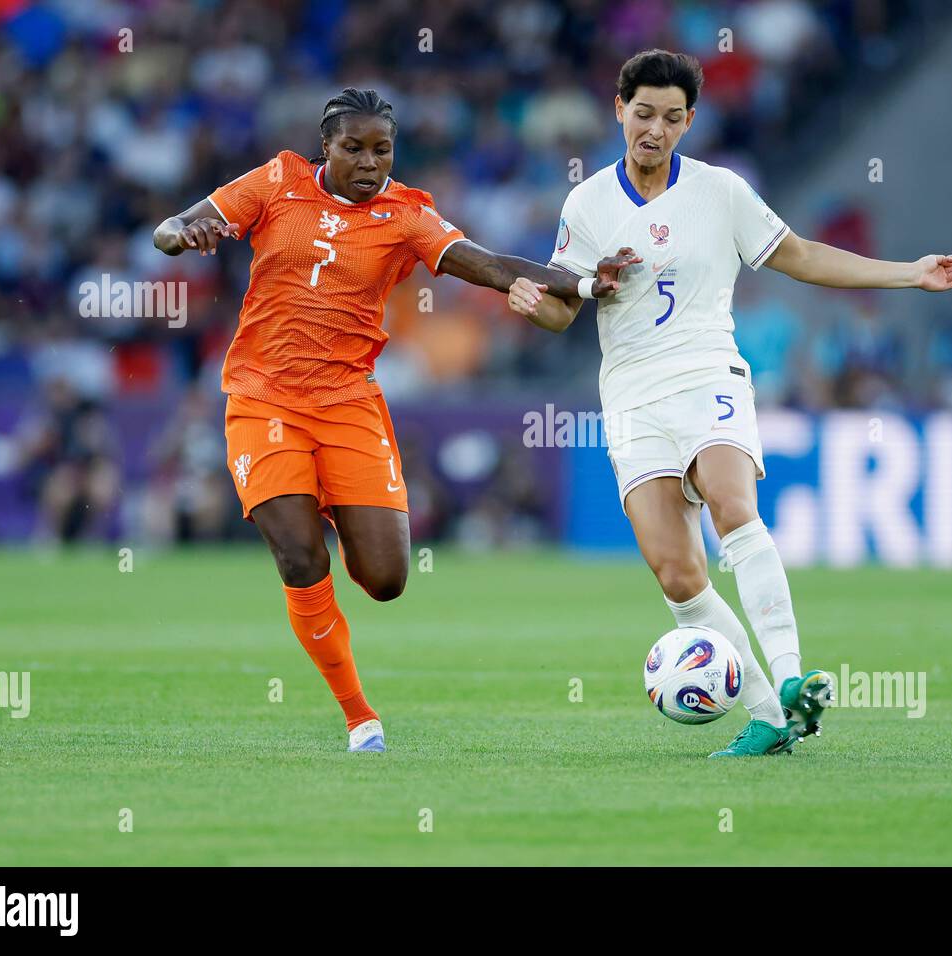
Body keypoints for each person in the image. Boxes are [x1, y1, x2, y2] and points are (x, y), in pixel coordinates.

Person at [507, 50, 952, 757]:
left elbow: (804, 256)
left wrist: (908, 274)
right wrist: (534, 299)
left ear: (689, 121)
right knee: (676, 572)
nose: (654, 130)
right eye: (642, 114)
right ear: (618, 110)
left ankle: (790, 677)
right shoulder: (587, 204)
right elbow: (563, 310)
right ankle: (768, 716)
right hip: (631, 396)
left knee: (731, 505)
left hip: (707, 374)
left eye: (671, 118)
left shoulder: (722, 191)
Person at [154, 88, 634, 754]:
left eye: (382, 149)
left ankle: (326, 497)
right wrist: (184, 233)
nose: (369, 163)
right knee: (299, 555)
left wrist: (580, 284)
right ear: (325, 145)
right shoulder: (276, 180)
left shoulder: (407, 215)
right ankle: (359, 717)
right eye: (354, 148)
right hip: (263, 398)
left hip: (348, 403)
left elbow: (489, 265)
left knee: (384, 580)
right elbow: (171, 228)